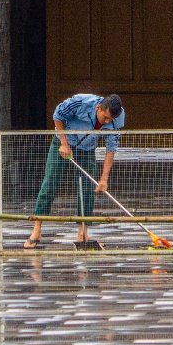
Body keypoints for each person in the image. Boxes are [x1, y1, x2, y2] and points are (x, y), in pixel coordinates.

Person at [24, 93, 125, 248]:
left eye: (110, 120)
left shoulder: (118, 117)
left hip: (87, 149)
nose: (107, 122)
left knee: (87, 190)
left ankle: (82, 232)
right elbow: (58, 115)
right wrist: (64, 143)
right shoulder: (80, 102)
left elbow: (111, 148)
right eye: (105, 117)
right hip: (63, 143)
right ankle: (37, 229)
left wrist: (104, 179)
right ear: (98, 108)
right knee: (50, 184)